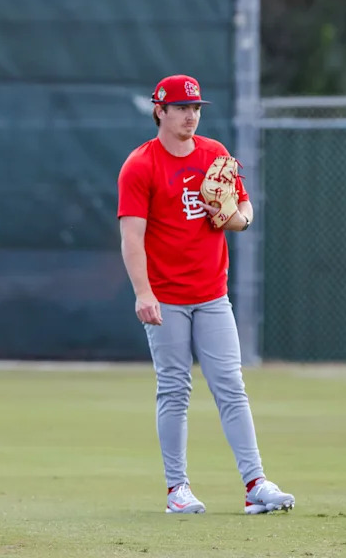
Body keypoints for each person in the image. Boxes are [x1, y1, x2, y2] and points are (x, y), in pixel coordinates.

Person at [117, 75, 295, 515]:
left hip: (212, 293)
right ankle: (177, 489)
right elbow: (131, 237)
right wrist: (143, 293)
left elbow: (244, 207)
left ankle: (255, 483)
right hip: (167, 298)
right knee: (175, 391)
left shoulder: (214, 154)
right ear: (160, 110)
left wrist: (238, 217)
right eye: (180, 107)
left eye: (195, 107)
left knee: (231, 387)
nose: (191, 115)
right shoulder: (141, 165)